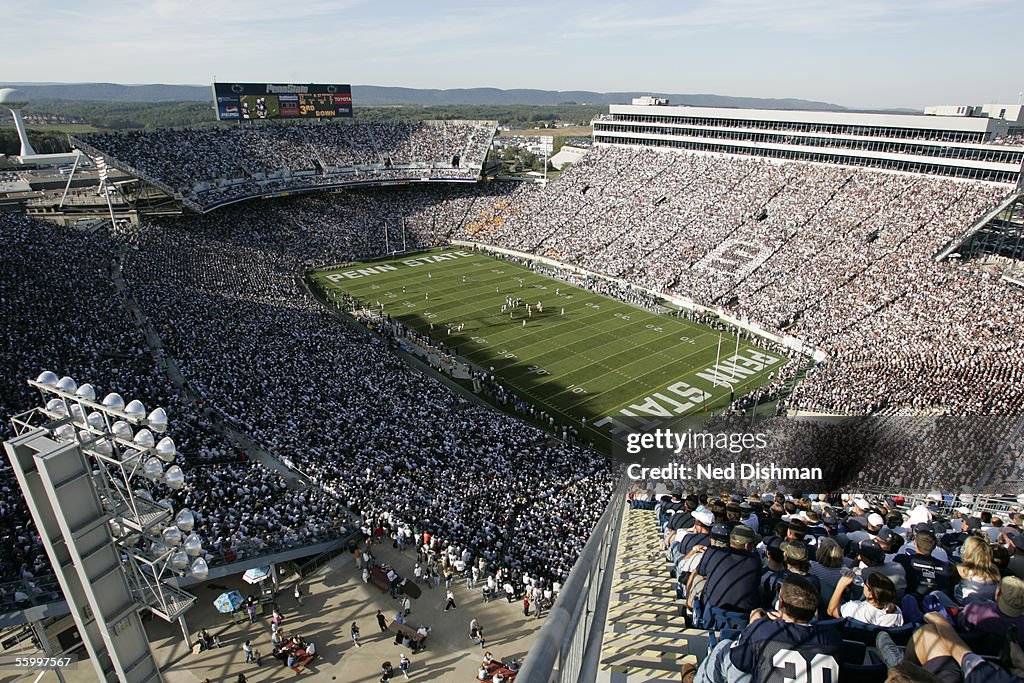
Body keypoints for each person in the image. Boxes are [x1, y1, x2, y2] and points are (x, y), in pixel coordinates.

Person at [684, 575, 842, 683]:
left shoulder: (763, 630)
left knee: (723, 648)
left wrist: (753, 624)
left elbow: (737, 661)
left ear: (780, 603)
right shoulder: (832, 638)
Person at [828, 569, 903, 627]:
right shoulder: (896, 612)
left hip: (854, 640)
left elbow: (831, 611)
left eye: (865, 583)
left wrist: (841, 585)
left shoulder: (854, 608)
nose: (863, 584)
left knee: (825, 586)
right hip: (874, 643)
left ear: (870, 594)